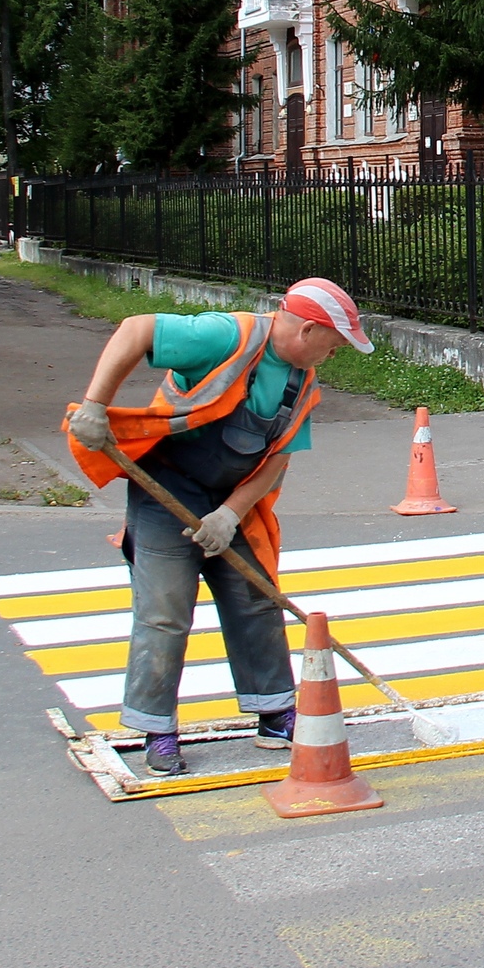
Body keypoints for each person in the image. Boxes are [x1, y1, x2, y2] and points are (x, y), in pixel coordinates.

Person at [63, 279, 374, 775]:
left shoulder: (302, 380)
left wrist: (231, 513)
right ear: (310, 329)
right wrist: (96, 404)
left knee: (255, 598)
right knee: (165, 610)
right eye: (333, 344)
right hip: (166, 488)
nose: (333, 355)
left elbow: (277, 460)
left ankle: (274, 714)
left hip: (235, 499)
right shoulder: (226, 336)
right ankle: (156, 728)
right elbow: (134, 329)